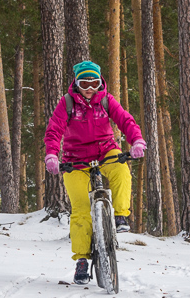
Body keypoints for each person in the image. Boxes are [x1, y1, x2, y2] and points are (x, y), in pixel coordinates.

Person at [44, 61, 146, 284]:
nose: (89, 87)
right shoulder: (67, 103)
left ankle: (120, 215)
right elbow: (54, 130)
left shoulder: (106, 101)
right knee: (80, 210)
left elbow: (125, 120)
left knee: (121, 170)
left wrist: (136, 140)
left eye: (94, 82)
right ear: (76, 83)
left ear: (101, 83)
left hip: (105, 151)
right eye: (84, 82)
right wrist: (52, 155)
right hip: (75, 160)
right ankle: (81, 260)